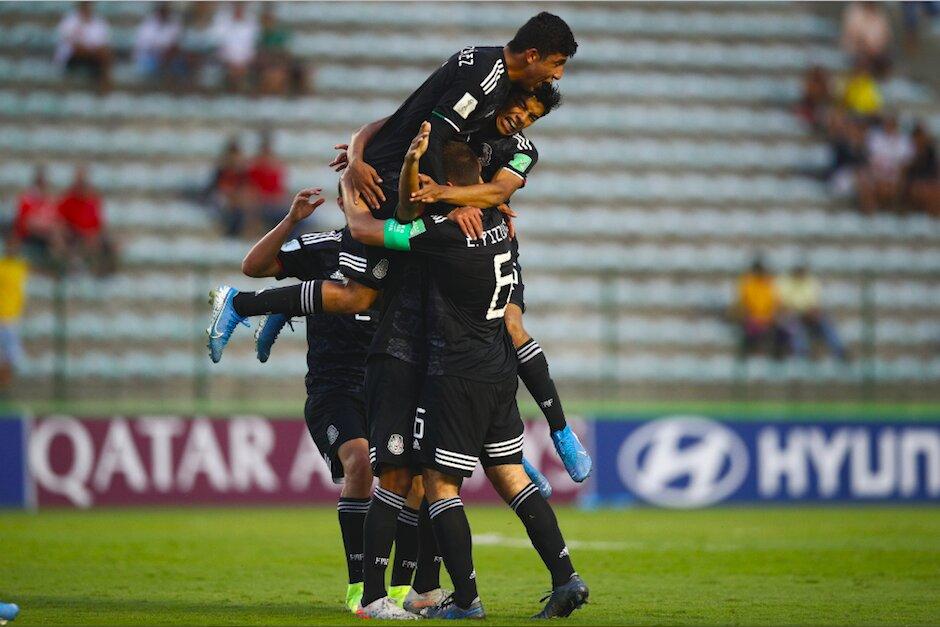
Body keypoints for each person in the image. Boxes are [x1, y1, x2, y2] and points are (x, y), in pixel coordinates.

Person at [342, 127, 588, 620]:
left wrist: (352, 180)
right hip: (500, 371)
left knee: (438, 483)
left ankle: (467, 600)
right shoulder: (500, 221)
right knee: (512, 477)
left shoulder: (450, 234)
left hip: (456, 373)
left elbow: (370, 231)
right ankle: (566, 579)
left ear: (441, 184)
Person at [209, 187, 376, 614]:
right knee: (360, 462)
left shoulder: (401, 253)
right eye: (355, 198)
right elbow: (254, 265)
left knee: (414, 479)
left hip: (388, 385)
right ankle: (360, 587)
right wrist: (290, 220)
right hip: (334, 388)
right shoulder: (324, 247)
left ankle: (408, 590)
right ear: (343, 204)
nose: (364, 205)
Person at [777, 264, 848, 361]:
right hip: (793, 316)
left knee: (826, 323)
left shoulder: (810, 282)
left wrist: (812, 312)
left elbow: (815, 305)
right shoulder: (786, 283)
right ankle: (802, 354)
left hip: (809, 315)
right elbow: (784, 306)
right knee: (795, 326)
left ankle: (839, 351)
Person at [57, 166, 116, 276]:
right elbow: (60, 222)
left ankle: (101, 272)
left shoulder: (94, 200)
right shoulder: (67, 200)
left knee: (110, 243)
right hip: (73, 236)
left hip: (91, 235)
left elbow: (99, 223)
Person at [12, 165, 67, 268]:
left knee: (63, 235)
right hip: (30, 235)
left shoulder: (50, 200)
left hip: (48, 234)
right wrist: (47, 229)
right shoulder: (28, 199)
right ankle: (57, 268)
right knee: (56, 239)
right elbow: (27, 223)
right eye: (41, 181)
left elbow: (57, 219)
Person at [54, 2, 112, 92]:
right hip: (72, 57)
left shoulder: (98, 22)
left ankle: (104, 86)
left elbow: (102, 43)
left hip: (93, 56)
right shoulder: (69, 21)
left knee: (104, 54)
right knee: (79, 49)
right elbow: (69, 41)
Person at [862, 114, 914, 213]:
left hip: (897, 177)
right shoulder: (875, 138)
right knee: (866, 182)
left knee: (900, 185)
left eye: (892, 123)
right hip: (878, 175)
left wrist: (895, 176)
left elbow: (906, 164)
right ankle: (871, 213)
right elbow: (872, 161)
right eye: (888, 123)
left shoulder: (904, 141)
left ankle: (896, 212)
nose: (889, 126)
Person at [734, 257, 784, 359]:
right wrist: (752, 317)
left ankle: (776, 360)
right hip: (752, 320)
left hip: (768, 320)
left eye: (762, 270)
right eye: (758, 270)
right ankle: (744, 359)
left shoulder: (769, 284)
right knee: (748, 336)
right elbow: (743, 305)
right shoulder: (747, 284)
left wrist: (770, 317)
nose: (760, 273)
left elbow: (776, 304)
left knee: (781, 334)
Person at [0, 233, 28, 395]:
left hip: (12, 318)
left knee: (10, 357)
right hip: (1, 316)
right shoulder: (1, 266)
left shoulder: (21, 266)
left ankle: (4, 390)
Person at [208, 3, 259, 91]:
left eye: (241, 6)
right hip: (226, 61)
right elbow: (216, 43)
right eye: (237, 6)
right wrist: (229, 63)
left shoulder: (252, 21)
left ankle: (240, 85)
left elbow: (253, 45)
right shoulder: (221, 19)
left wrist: (243, 64)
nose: (239, 9)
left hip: (244, 62)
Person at [205, 137, 250, 237]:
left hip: (237, 204)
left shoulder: (242, 173)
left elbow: (245, 190)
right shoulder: (221, 171)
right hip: (222, 203)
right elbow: (214, 190)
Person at [132, 2, 185, 84]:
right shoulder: (147, 25)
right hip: (149, 58)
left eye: (166, 11)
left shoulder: (175, 23)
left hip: (169, 58)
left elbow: (177, 44)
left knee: (179, 65)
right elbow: (145, 46)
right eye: (162, 11)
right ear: (158, 12)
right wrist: (162, 50)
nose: (165, 13)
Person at [246, 133, 289, 230]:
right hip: (259, 204)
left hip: (272, 204)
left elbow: (279, 190)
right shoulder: (254, 169)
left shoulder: (275, 169)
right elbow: (250, 189)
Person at [841, 2, 893, 78]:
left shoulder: (880, 14)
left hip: (876, 53)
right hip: (856, 52)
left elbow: (886, 35)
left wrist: (876, 48)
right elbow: (853, 34)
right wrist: (867, 47)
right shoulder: (855, 11)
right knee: (863, 61)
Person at [904, 122, 940, 215]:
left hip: (928, 183)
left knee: (935, 191)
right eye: (919, 137)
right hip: (913, 184)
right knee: (925, 191)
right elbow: (906, 173)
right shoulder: (909, 151)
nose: (921, 139)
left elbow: (934, 172)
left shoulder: (930, 152)